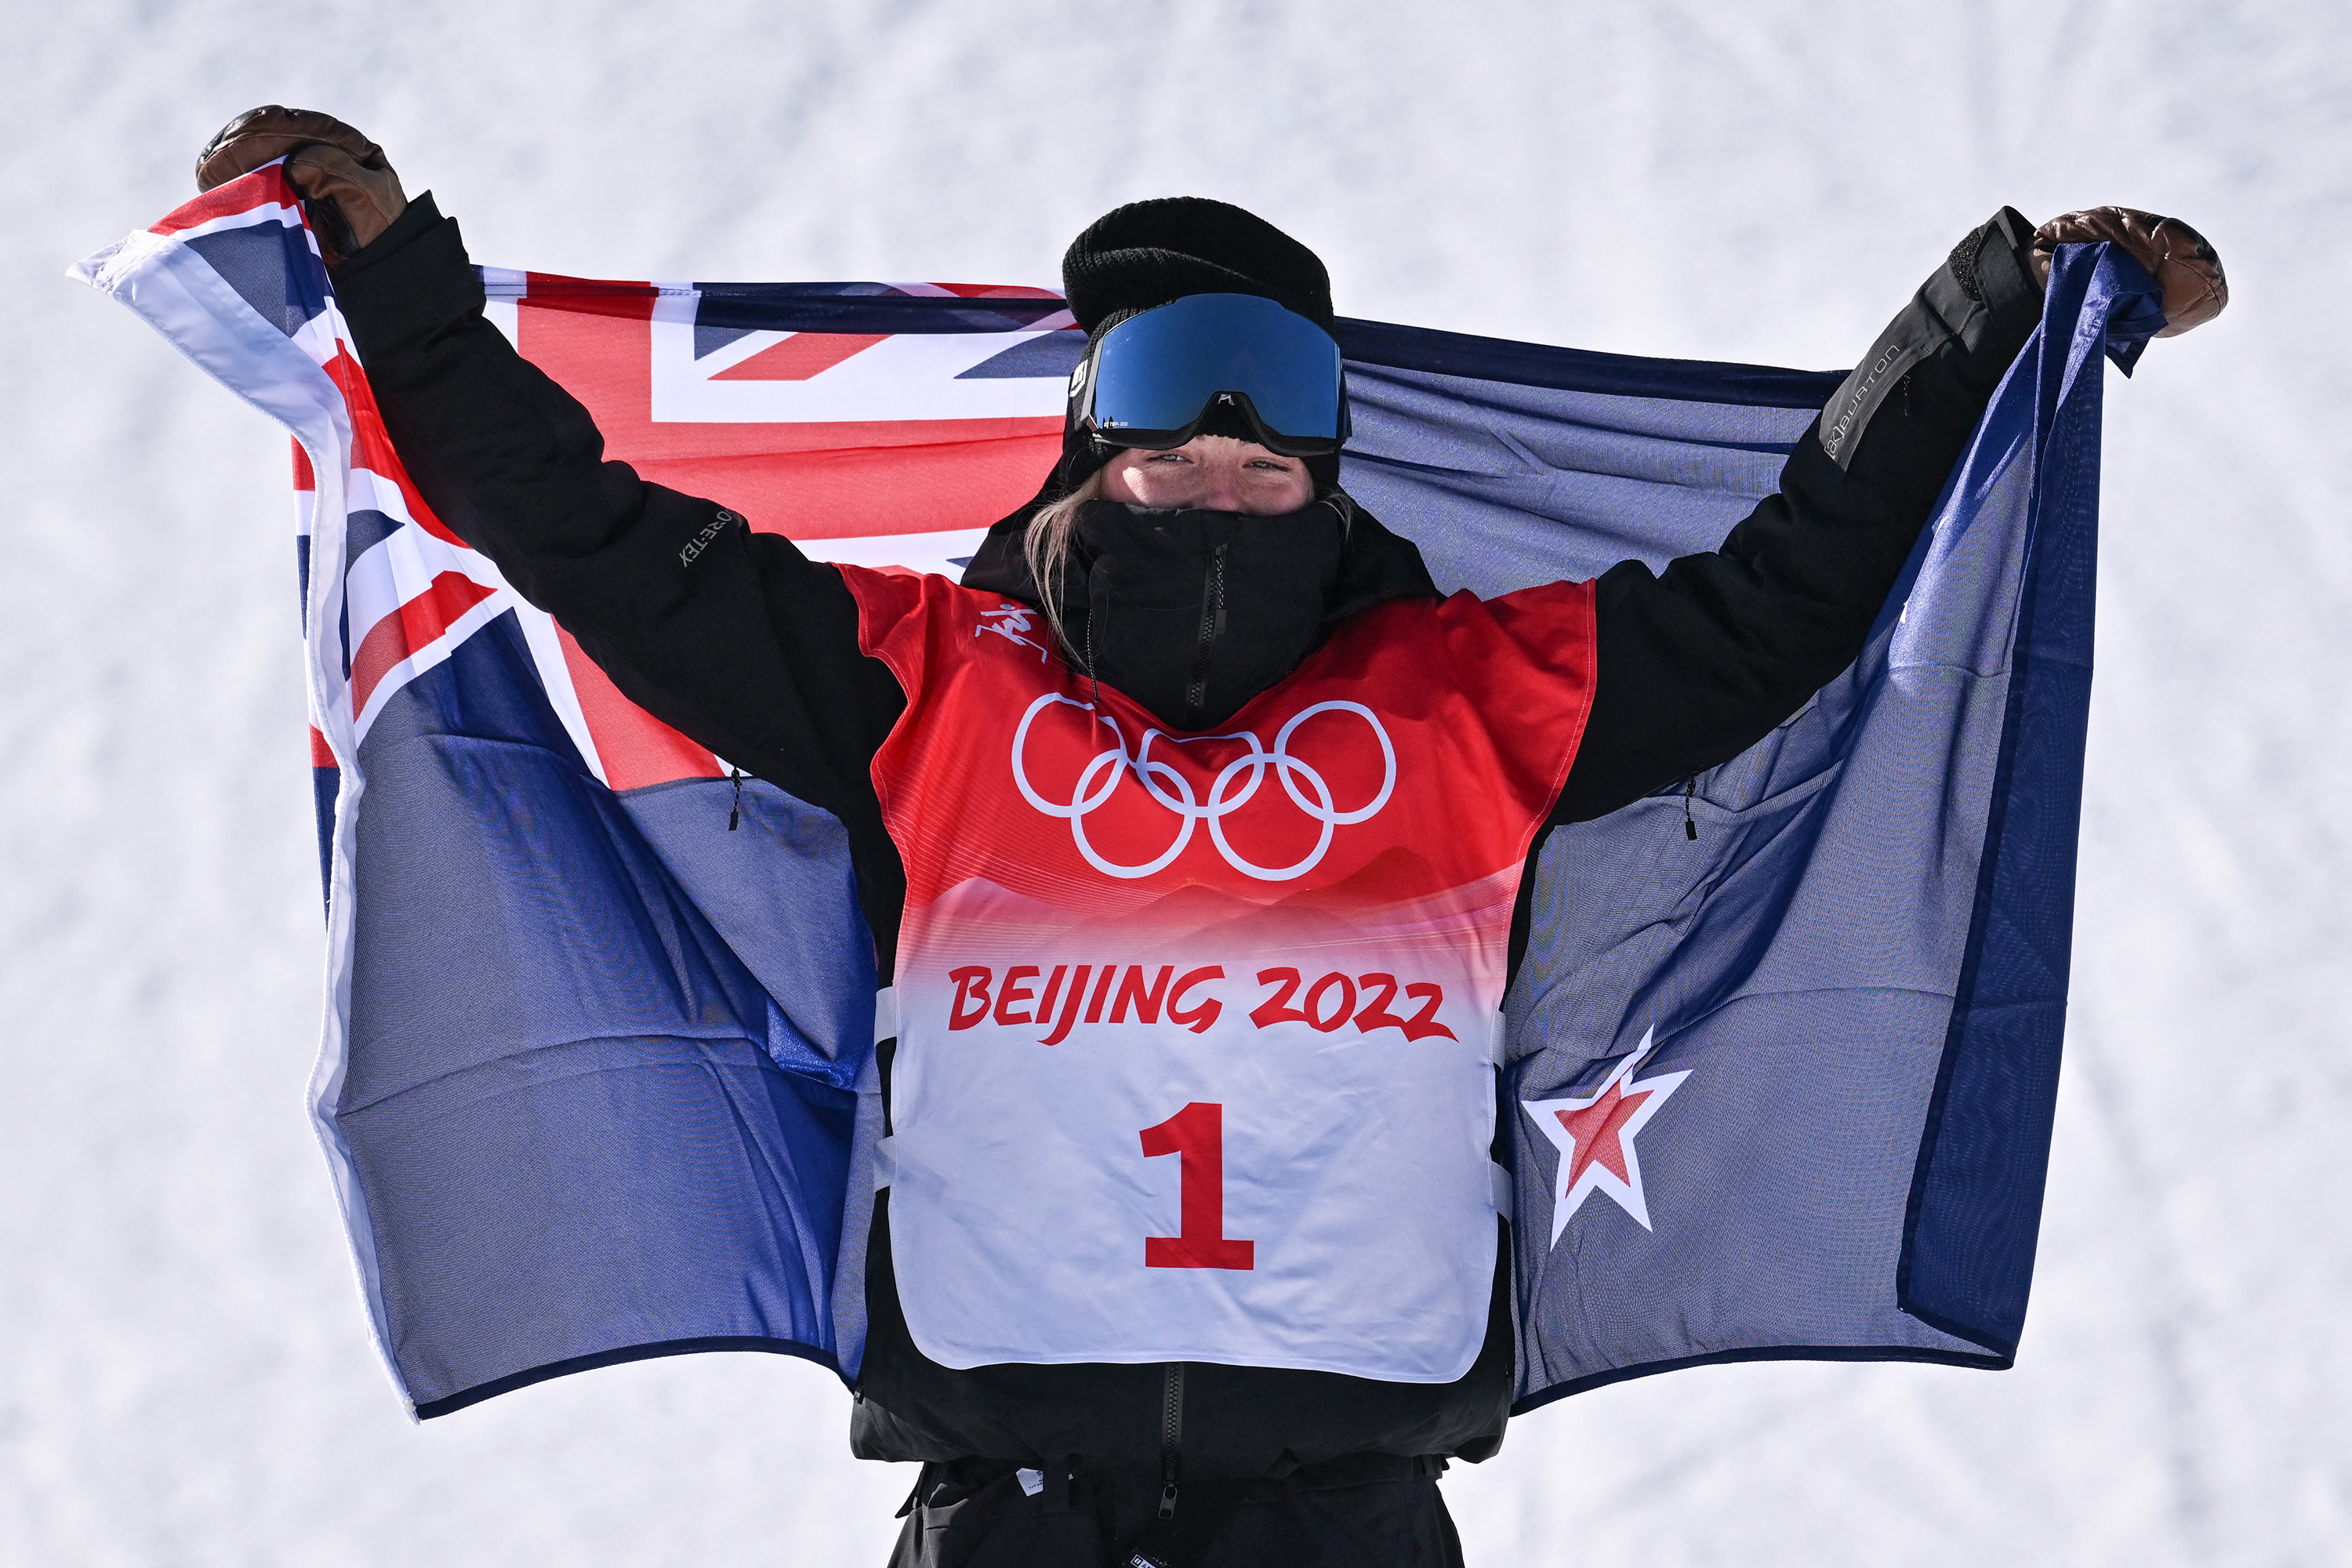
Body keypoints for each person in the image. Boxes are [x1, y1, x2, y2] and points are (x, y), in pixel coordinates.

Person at [191, 107, 2225, 1568]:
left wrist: (1999, 311)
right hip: (1014, 1507)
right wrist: (391, 269)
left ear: (1328, 456)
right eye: (1173, 396)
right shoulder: (925, 680)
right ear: (1093, 432)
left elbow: (1796, 590)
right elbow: (583, 534)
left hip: (1347, 1506)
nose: (1227, 444)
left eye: (1278, 410)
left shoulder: (1471, 688)